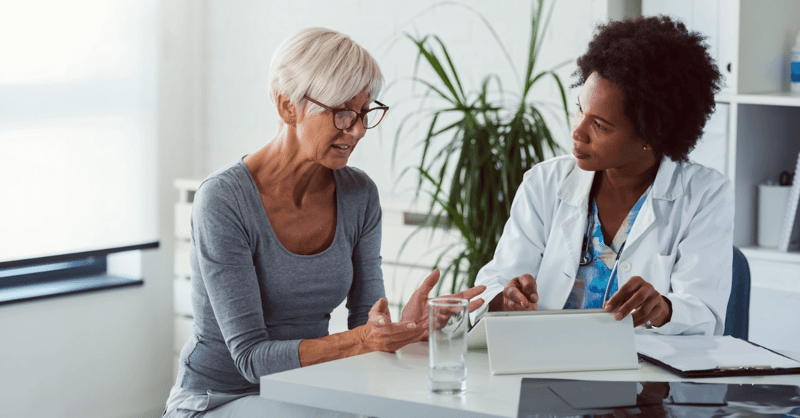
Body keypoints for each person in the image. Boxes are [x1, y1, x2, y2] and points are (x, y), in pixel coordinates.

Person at [163, 27, 485, 418]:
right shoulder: (224, 200)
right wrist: (366, 340)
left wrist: (402, 329)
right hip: (217, 398)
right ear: (288, 107)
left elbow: (366, 326)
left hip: (306, 393)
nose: (358, 130)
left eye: (365, 113)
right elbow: (250, 358)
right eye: (342, 113)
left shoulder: (359, 194)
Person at [471, 15, 731, 336]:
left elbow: (704, 312)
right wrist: (504, 297)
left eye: (600, 125)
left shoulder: (705, 195)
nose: (577, 132)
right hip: (547, 365)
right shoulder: (544, 183)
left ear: (651, 135)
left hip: (646, 376)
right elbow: (494, 281)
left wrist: (663, 308)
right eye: (581, 109)